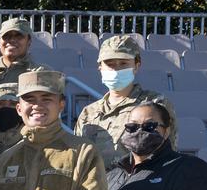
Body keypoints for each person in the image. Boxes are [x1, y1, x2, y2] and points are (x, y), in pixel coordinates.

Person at [75, 35, 177, 170]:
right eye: (110, 64)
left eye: (123, 64)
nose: (116, 70)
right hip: (98, 187)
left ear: (136, 65)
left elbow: (166, 153)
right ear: (100, 68)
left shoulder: (154, 104)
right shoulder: (89, 112)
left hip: (140, 184)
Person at [0, 18, 43, 94]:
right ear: (0, 41)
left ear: (29, 41)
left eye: (18, 36)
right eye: (6, 36)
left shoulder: (41, 74)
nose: (12, 40)